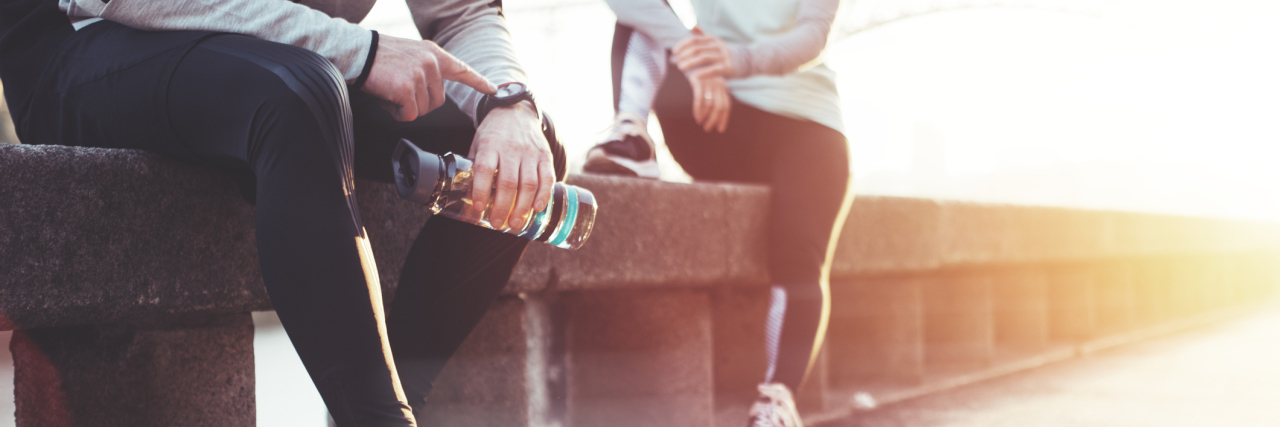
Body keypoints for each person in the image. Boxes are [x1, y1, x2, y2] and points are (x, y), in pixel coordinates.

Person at [0, 0, 562, 425]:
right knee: (299, 90)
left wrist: (509, 103)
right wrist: (360, 52)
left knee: (517, 152)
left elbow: (461, 12)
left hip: (283, 59)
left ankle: (397, 397)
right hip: (89, 46)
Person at [584, 0, 851, 426]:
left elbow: (813, 34)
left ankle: (777, 403)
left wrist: (734, 60)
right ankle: (631, 137)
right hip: (715, 113)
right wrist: (693, 57)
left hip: (806, 130)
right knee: (644, 12)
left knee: (799, 259)